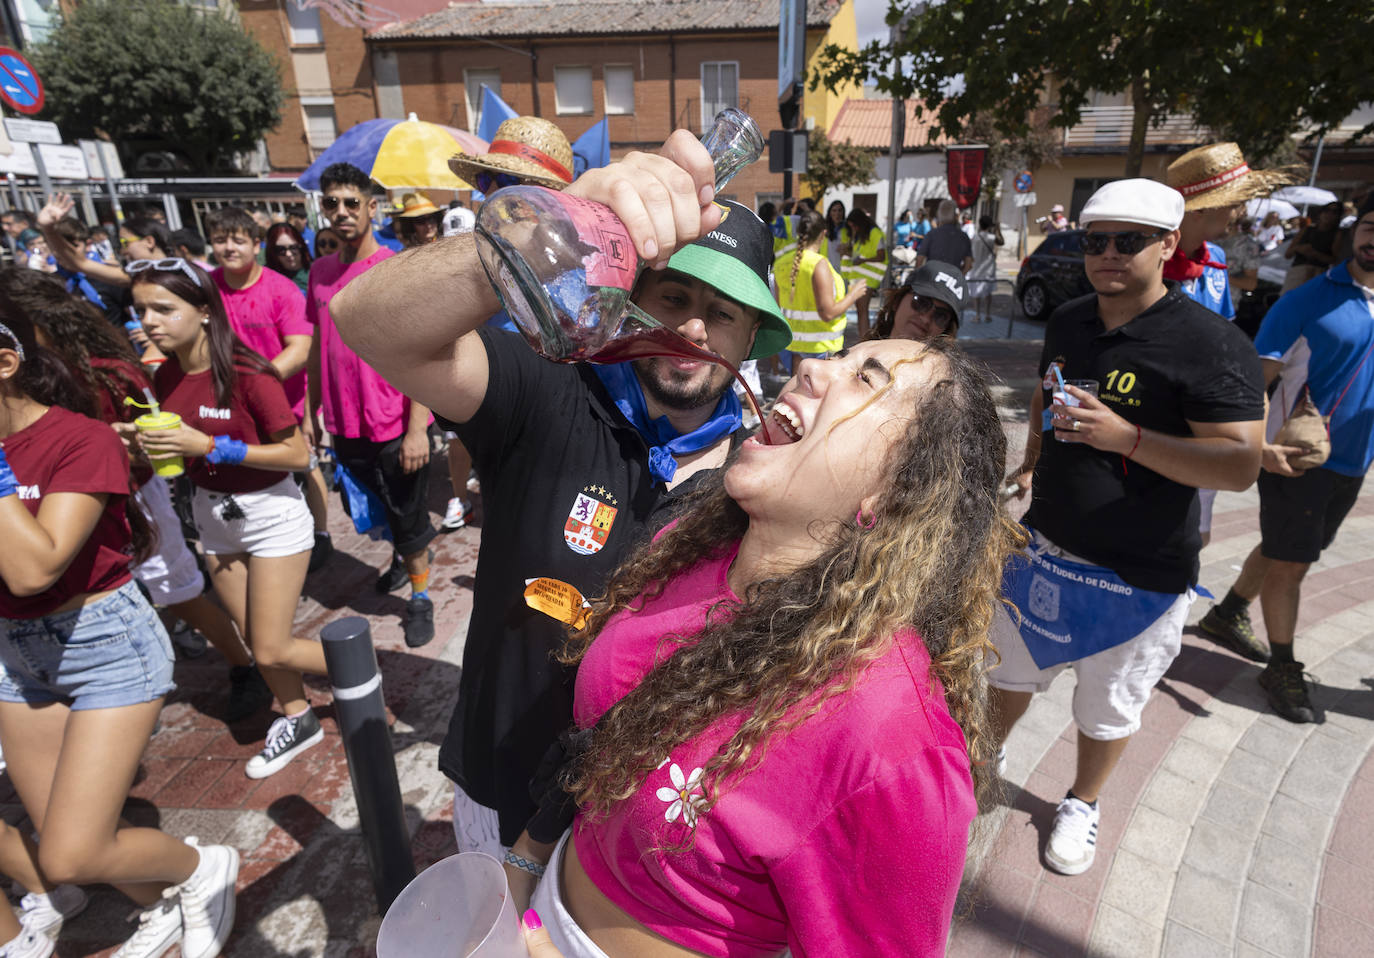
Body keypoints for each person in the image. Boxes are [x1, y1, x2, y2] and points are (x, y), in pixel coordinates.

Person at [330, 131, 793, 858]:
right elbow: (365, 321)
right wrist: (553, 225)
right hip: (500, 779)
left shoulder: (763, 475)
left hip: (645, 834)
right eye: (674, 295)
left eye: (724, 311)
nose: (694, 326)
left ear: (751, 338)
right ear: (634, 298)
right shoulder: (548, 387)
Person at [499, 332, 1015, 956]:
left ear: (896, 493)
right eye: (837, 356)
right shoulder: (690, 545)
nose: (811, 367)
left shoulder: (889, 739)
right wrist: (525, 868)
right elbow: (598, 755)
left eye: (867, 378)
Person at [998, 179, 1264, 876]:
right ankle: (977, 764)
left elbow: (1240, 465)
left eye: (1129, 240)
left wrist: (1128, 438)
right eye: (1096, 241)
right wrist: (1029, 464)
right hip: (1046, 549)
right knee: (1010, 677)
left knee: (1107, 710)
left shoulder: (1212, 344)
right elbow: (1042, 394)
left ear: (1169, 245)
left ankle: (1082, 803)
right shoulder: (1072, 319)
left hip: (1140, 576)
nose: (1108, 254)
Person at [0, 297, 239, 958]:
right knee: (64, 840)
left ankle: (201, 870)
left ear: (6, 361)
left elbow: (34, 568)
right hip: (15, 654)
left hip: (103, 643)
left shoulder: (81, 438)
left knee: (73, 855)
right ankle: (162, 902)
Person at [0, 268, 271, 724]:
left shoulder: (110, 371)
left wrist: (120, 444)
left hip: (131, 497)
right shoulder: (30, 380)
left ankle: (245, 663)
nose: (148, 320)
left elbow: (146, 436)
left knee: (179, 591)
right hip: (43, 513)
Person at [131, 258, 328, 780]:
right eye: (141, 309)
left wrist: (213, 445)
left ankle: (359, 670)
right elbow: (180, 449)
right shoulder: (165, 374)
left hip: (272, 514)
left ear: (202, 311)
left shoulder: (248, 372)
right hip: (211, 514)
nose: (148, 320)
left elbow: (296, 456)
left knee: (270, 643)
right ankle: (298, 715)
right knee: (253, 637)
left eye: (163, 308)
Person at [1198, 194, 1374, 720]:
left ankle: (1227, 614)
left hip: (1353, 462)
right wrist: (1260, 449)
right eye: (1369, 227)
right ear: (1352, 231)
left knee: (1287, 551)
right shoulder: (1307, 300)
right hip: (1295, 461)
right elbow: (1256, 382)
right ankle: (1282, 663)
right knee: (1292, 563)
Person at [307, 163, 438, 648]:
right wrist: (309, 413)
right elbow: (317, 345)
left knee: (408, 516)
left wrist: (417, 428)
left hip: (392, 424)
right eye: (331, 204)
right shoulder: (319, 271)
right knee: (375, 509)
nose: (341, 213)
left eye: (350, 203)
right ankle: (401, 566)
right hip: (344, 425)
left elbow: (421, 350)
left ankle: (421, 597)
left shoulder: (394, 267)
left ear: (371, 208)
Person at [206, 208, 332, 573]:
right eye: (220, 240)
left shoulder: (281, 289)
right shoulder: (207, 288)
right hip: (229, 404)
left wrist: (255, 385)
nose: (229, 248)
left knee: (306, 466)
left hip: (283, 400)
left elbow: (301, 347)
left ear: (256, 245)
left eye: (238, 240)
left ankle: (320, 534)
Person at [777, 210, 866, 368]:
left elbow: (779, 308)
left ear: (798, 233)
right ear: (823, 234)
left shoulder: (781, 263)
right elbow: (828, 313)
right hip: (822, 347)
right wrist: (854, 294)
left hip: (795, 348)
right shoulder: (818, 264)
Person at [872, 261, 967, 341]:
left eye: (941, 316)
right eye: (921, 302)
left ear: (946, 330)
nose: (926, 319)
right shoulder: (861, 356)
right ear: (897, 301)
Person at [841, 207, 886, 338]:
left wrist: (863, 260)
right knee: (861, 311)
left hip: (869, 278)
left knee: (862, 310)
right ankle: (864, 338)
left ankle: (865, 340)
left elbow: (881, 256)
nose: (853, 228)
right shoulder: (861, 235)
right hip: (861, 277)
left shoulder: (875, 233)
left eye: (854, 225)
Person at [1283, 202, 1342, 291]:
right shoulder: (1307, 230)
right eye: (1327, 210)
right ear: (1320, 213)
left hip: (1319, 274)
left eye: (1335, 212)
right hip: (1298, 271)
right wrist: (1299, 249)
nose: (1329, 214)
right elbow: (1288, 254)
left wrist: (1315, 254)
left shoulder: (1337, 234)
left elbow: (1335, 260)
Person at [916, 199, 973, 276]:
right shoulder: (963, 236)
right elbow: (968, 265)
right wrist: (957, 278)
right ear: (955, 216)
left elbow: (919, 261)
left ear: (939, 214)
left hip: (932, 282)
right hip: (952, 282)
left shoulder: (931, 234)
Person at [968, 214, 1004, 323]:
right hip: (988, 269)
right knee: (988, 293)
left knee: (976, 293)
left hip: (976, 268)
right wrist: (998, 229)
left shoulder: (975, 237)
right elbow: (1001, 242)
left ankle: (977, 315)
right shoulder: (992, 237)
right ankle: (988, 315)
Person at [1220, 217, 1262, 300]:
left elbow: (1251, 284)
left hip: (1225, 303)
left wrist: (1221, 277)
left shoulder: (1248, 245)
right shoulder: (1205, 237)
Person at [264, 223, 312, 292]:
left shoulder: (316, 270)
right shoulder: (268, 278)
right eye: (281, 249)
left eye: (293, 248)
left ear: (301, 246)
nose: (288, 254)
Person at [823, 199, 848, 273]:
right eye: (834, 210)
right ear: (830, 213)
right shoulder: (823, 229)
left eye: (840, 210)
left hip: (843, 270)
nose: (837, 213)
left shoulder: (847, 229)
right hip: (826, 269)